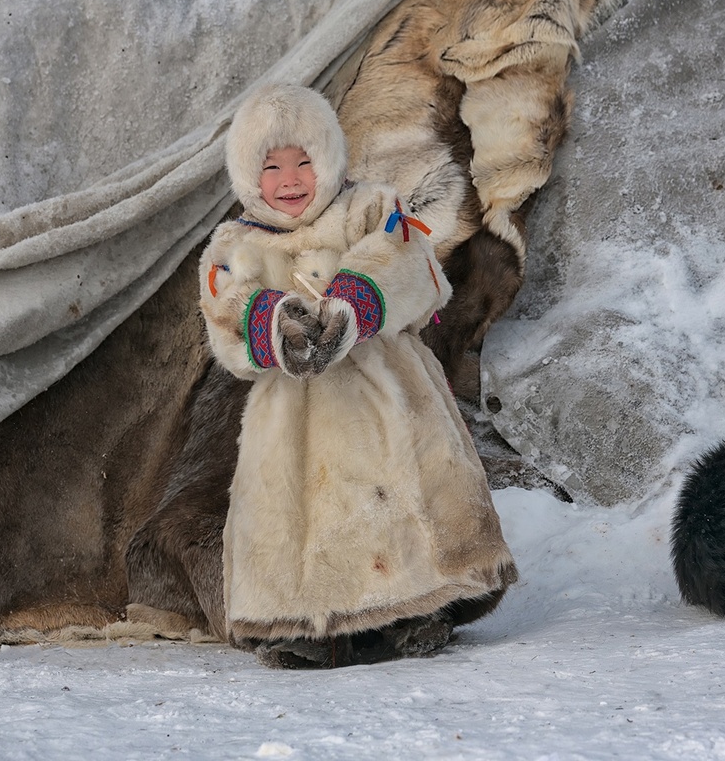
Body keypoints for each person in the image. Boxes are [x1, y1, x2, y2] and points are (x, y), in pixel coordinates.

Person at [198, 83, 517, 668]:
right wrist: (274, 324)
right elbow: (225, 312)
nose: (290, 179)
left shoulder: (371, 207)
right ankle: (304, 625)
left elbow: (412, 263)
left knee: (402, 497)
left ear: (331, 159)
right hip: (293, 415)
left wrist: (355, 299)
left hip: (386, 389)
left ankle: (420, 611)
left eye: (304, 161)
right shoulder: (233, 245)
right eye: (271, 166)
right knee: (298, 516)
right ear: (247, 175)